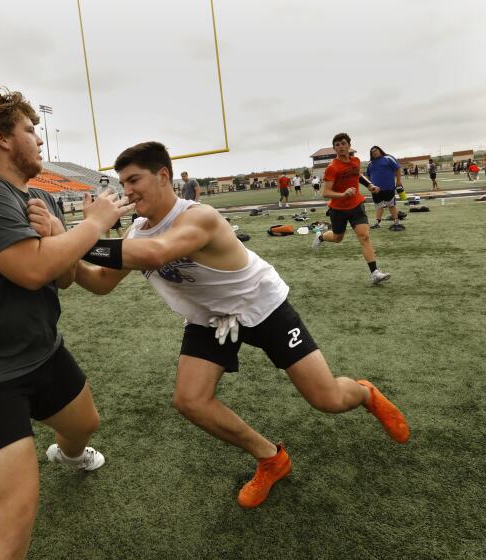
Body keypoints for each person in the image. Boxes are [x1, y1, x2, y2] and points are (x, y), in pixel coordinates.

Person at [73, 141, 409, 509]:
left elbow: (157, 254)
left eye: (134, 179)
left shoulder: (199, 216)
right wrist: (62, 252)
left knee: (327, 399)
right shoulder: (135, 233)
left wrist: (84, 235)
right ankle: (271, 458)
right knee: (190, 401)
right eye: (123, 182)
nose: (127, 190)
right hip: (209, 318)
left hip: (261, 306)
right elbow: (100, 283)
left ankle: (364, 393)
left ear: (163, 176)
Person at [0, 91, 129, 560]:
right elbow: (32, 270)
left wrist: (62, 237)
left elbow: (61, 277)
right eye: (29, 130)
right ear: (3, 139)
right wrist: (95, 224)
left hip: (40, 349)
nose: (38, 140)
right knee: (11, 524)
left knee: (85, 425)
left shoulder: (39, 196)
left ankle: (66, 453)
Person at [311, 133, 390, 284]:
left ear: (349, 145)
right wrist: (343, 194)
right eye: (337, 145)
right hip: (338, 209)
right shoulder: (332, 168)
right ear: (334, 148)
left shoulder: (356, 161)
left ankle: (375, 272)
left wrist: (370, 185)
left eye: (343, 143)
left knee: (364, 236)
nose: (340, 146)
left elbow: (358, 175)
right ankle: (320, 237)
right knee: (337, 238)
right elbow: (325, 193)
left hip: (356, 205)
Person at [366, 146, 405, 231]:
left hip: (388, 187)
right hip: (375, 189)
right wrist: (370, 186)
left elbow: (397, 168)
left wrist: (398, 181)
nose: (374, 152)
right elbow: (368, 176)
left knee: (391, 205)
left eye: (376, 150)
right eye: (372, 152)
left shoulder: (388, 158)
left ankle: (396, 222)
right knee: (378, 206)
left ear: (380, 150)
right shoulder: (370, 163)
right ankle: (377, 223)